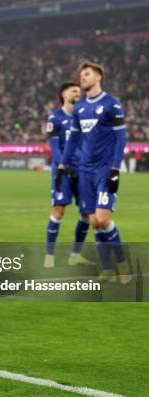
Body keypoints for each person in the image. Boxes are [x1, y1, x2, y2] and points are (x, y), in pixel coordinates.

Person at [58, 61, 129, 284]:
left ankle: (122, 263)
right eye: (81, 75)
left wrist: (116, 169)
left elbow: (120, 138)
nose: (82, 78)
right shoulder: (79, 108)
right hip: (85, 171)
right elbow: (73, 140)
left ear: (99, 77)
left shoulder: (111, 104)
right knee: (94, 222)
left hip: (105, 169)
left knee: (103, 218)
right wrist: (62, 165)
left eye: (87, 74)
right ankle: (107, 270)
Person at [43, 82, 93, 268]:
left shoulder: (85, 116)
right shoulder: (55, 118)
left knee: (87, 214)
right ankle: (49, 256)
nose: (78, 93)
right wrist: (63, 165)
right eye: (74, 90)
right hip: (63, 172)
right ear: (63, 94)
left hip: (83, 171)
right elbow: (55, 148)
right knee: (58, 211)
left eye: (80, 91)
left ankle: (75, 255)